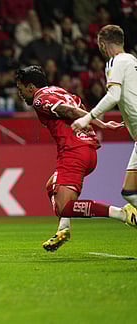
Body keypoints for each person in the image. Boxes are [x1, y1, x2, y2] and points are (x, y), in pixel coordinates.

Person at [15, 65, 133, 252]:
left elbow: (68, 112)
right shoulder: (59, 90)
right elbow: (79, 107)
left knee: (65, 207)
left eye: (21, 89)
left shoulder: (39, 99)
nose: (20, 94)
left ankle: (122, 214)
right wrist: (97, 123)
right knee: (51, 186)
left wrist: (101, 123)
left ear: (30, 87)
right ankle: (63, 229)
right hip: (88, 150)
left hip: (73, 151)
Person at [72, 25, 137, 222]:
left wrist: (87, 118)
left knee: (130, 191)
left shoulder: (116, 62)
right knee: (128, 192)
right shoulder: (132, 60)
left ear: (102, 44)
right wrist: (128, 121)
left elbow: (114, 95)